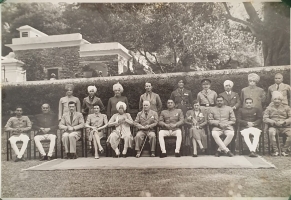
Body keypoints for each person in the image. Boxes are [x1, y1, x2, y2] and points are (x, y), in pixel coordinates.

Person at [263, 91, 291, 156]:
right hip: (274, 126)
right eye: (275, 99)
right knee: (271, 132)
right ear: (273, 100)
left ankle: (284, 150)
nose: (277, 101)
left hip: (285, 127)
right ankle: (275, 150)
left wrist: (284, 122)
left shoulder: (287, 107)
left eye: (278, 99)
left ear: (281, 100)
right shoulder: (269, 108)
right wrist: (273, 122)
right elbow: (265, 118)